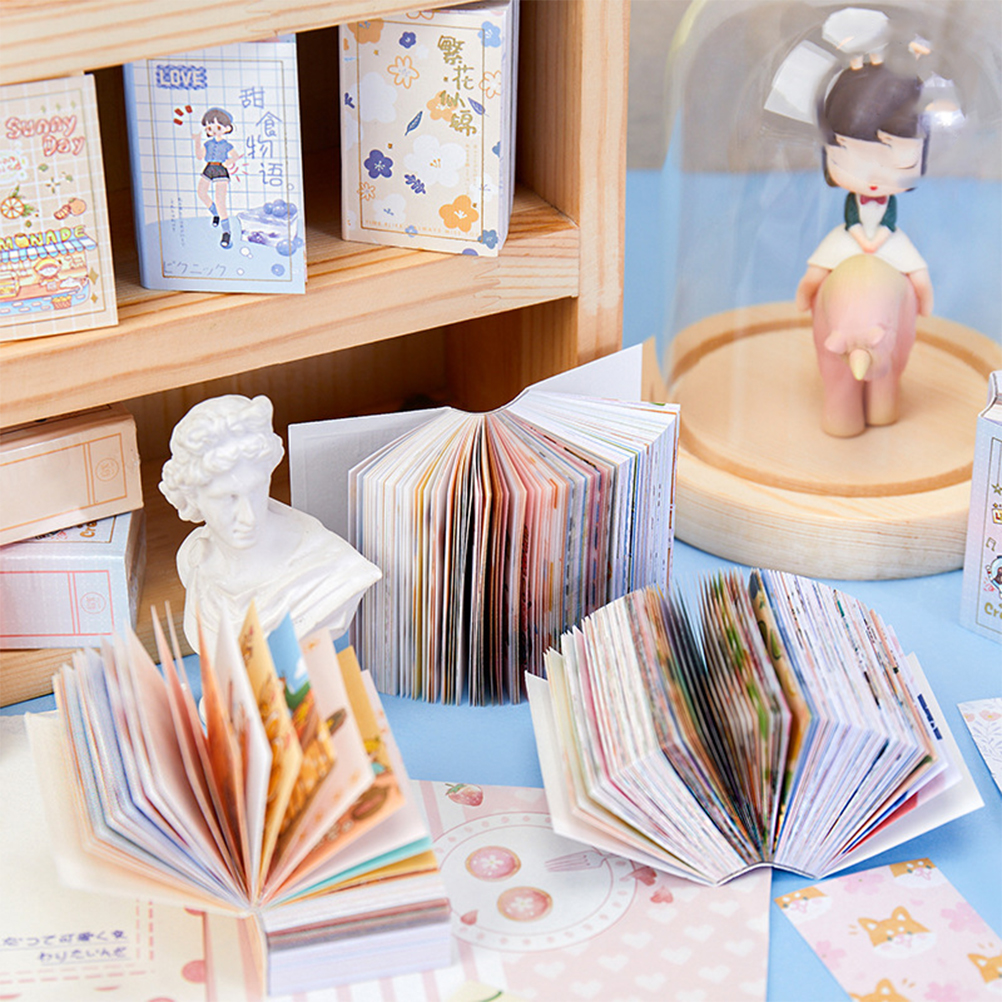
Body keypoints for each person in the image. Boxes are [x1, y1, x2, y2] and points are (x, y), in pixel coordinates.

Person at [160, 394, 382, 655]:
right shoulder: (194, 558)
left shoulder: (333, 571)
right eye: (227, 499)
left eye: (257, 490)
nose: (249, 516)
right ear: (192, 497)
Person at [796, 58, 934, 317]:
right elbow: (852, 219)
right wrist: (862, 240)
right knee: (815, 271)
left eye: (900, 161)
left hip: (886, 240)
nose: (873, 177)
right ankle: (804, 299)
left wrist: (877, 241)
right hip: (852, 238)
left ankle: (924, 310)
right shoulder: (854, 201)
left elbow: (889, 222)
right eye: (851, 161)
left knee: (920, 276)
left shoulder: (888, 202)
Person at [193, 107, 238, 248]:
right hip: (209, 168)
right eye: (209, 128)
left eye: (217, 127)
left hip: (220, 170)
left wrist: (228, 162)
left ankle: (226, 232)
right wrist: (197, 141)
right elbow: (200, 156)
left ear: (227, 128)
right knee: (201, 192)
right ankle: (215, 213)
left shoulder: (226, 145)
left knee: (220, 201)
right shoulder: (208, 143)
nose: (212, 131)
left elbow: (235, 156)